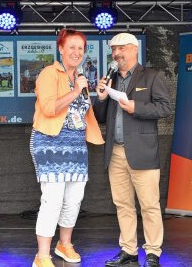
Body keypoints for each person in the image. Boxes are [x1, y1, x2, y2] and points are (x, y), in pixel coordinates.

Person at [93, 33, 171, 267]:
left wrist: (135, 107)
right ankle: (128, 250)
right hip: (115, 152)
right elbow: (99, 117)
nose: (116, 54)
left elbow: (165, 108)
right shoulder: (111, 80)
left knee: (149, 205)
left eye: (121, 49)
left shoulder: (151, 76)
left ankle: (153, 252)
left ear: (134, 50)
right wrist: (101, 98)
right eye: (114, 50)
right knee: (123, 205)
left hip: (143, 152)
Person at [30, 29, 104, 267]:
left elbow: (84, 113)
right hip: (50, 144)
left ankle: (64, 244)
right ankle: (42, 255)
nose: (76, 52)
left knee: (73, 200)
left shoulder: (79, 77)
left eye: (80, 48)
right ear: (60, 49)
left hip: (76, 146)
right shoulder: (49, 73)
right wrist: (74, 92)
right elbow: (50, 108)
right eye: (71, 47)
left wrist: (98, 96)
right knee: (53, 200)